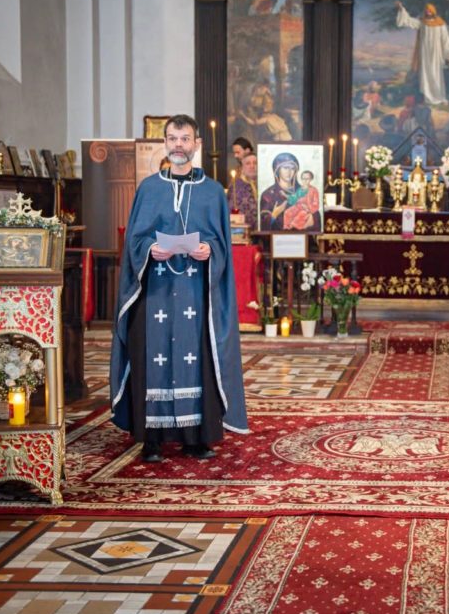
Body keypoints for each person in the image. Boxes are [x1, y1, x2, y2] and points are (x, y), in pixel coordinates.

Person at [110, 114, 248, 463]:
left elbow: (222, 243)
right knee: (153, 359)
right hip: (155, 291)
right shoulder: (149, 189)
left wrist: (209, 250)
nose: (178, 145)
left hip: (195, 293)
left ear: (196, 144)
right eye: (172, 138)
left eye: (185, 139)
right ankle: (152, 439)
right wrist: (149, 249)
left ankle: (195, 438)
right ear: (165, 143)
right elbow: (134, 241)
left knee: (195, 359)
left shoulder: (213, 192)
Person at [394, 1, 449, 106]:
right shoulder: (422, 22)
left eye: (430, 10)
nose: (428, 12)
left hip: (436, 53)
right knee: (427, 74)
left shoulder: (441, 24)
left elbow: (445, 39)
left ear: (433, 11)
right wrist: (401, 9)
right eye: (426, 10)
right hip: (425, 53)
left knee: (437, 74)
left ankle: (440, 97)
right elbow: (408, 21)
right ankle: (428, 98)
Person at [261, 152, 320, 231]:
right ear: (277, 170)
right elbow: (263, 225)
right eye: (285, 168)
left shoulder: (304, 190)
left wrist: (312, 217)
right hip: (277, 237)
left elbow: (316, 213)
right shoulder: (268, 195)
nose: (289, 172)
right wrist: (274, 215)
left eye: (292, 168)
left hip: (302, 235)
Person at [227, 140, 258, 232]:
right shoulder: (236, 186)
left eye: (255, 163)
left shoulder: (266, 184)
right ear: (242, 168)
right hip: (242, 232)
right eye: (248, 163)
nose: (252, 166)